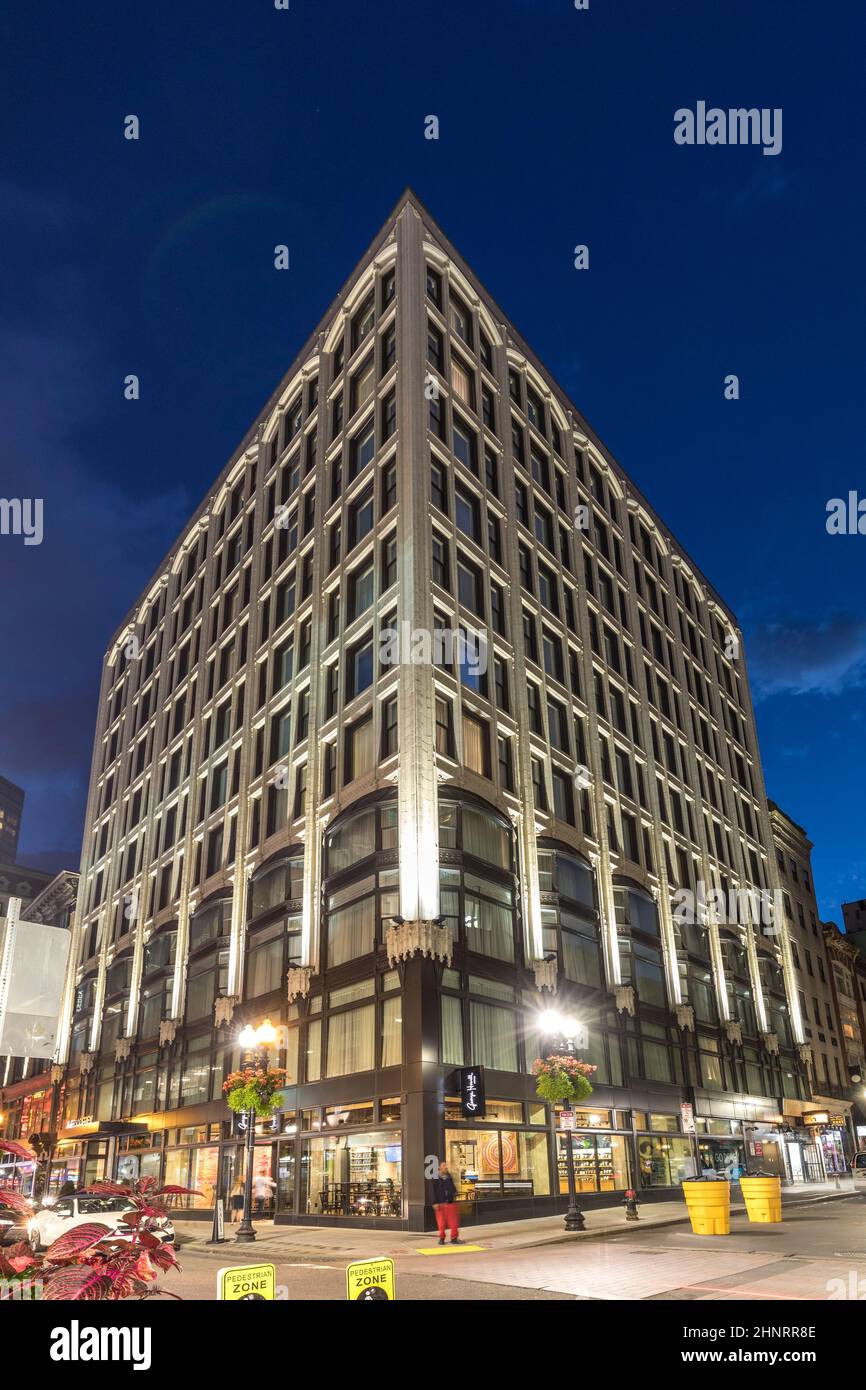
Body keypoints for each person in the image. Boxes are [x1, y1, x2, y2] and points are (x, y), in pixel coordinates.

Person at [430, 1160, 462, 1245]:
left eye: (446, 1165)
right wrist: (434, 1203)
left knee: (454, 1223)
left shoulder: (449, 1177)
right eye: (444, 1165)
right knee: (441, 1223)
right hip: (440, 1204)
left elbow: (453, 1187)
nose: (446, 1167)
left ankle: (454, 1238)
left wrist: (455, 1193)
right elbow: (433, 1191)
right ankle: (441, 1239)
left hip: (450, 1203)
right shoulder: (435, 1179)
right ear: (439, 1168)